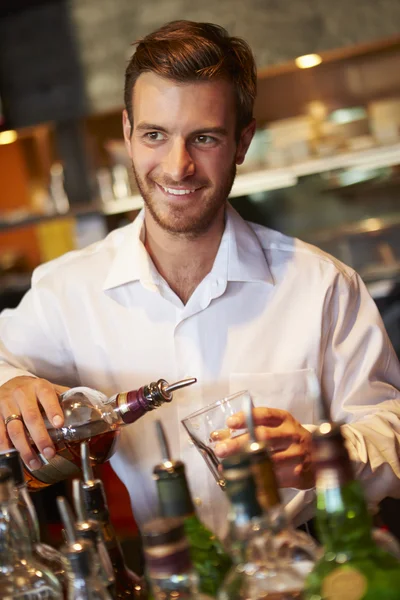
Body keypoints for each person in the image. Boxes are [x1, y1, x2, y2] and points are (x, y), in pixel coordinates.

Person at [0, 20, 399, 537]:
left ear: (242, 142)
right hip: (167, 572)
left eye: (204, 137)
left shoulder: (323, 285)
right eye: (154, 135)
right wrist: (11, 385)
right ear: (127, 133)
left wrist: (321, 455)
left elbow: (391, 427)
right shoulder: (65, 291)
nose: (177, 166)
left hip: (311, 568)